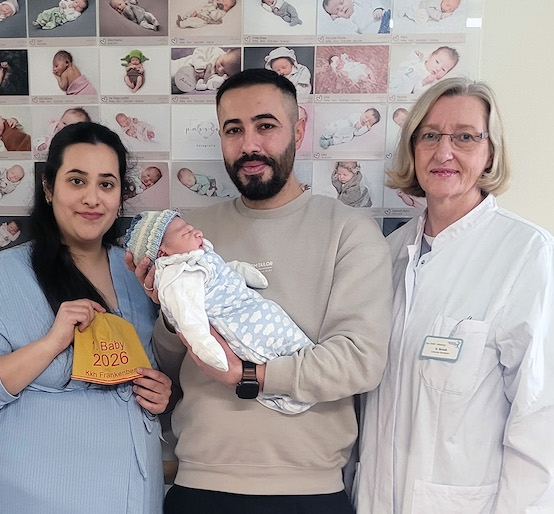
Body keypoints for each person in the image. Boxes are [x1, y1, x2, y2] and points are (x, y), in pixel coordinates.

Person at [128, 68, 391, 513]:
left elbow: (359, 362)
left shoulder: (349, 231)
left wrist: (251, 375)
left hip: (309, 492)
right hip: (199, 484)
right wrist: (172, 314)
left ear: (299, 129)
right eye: (234, 130)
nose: (249, 145)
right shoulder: (189, 234)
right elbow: (169, 369)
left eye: (265, 126)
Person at [354, 77, 554, 513]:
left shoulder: (526, 253)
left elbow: (542, 416)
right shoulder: (388, 254)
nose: (443, 152)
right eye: (429, 136)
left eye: (465, 137)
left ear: (490, 152)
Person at [0, 121, 172, 513]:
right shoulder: (5, 274)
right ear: (49, 189)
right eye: (76, 181)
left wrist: (162, 392)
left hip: (130, 492)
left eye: (106, 184)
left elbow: (159, 368)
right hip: (33, 496)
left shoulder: (137, 274)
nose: (92, 198)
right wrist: (51, 344)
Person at [125, 210, 315, 414]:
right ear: (163, 254)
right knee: (269, 336)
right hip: (238, 321)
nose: (198, 232)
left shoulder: (199, 257)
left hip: (250, 307)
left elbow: (223, 270)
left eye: (191, 228)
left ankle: (302, 367)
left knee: (289, 338)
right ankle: (294, 387)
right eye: (186, 233)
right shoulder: (179, 275)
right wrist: (205, 344)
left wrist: (242, 272)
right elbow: (190, 318)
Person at [390, 46, 459, 95]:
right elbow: (404, 65)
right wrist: (415, 55)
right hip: (394, 78)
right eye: (437, 62)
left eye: (443, 69)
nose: (438, 68)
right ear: (430, 56)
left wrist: (425, 82)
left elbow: (417, 92)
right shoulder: (419, 61)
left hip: (401, 91)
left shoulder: (431, 82)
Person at [171, 47, 241, 94]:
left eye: (225, 72)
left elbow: (210, 85)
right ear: (227, 52)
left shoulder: (219, 76)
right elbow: (199, 50)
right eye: (222, 64)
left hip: (184, 84)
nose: (220, 69)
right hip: (183, 65)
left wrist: (221, 80)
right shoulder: (214, 52)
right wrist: (200, 66)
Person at [322, 0, 388, 34]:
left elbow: (372, 1)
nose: (341, 8)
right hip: (379, 32)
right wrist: (337, 20)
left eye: (341, 2)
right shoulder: (349, 21)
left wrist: (377, 8)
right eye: (337, 11)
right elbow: (352, 29)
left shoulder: (358, 2)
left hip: (385, 17)